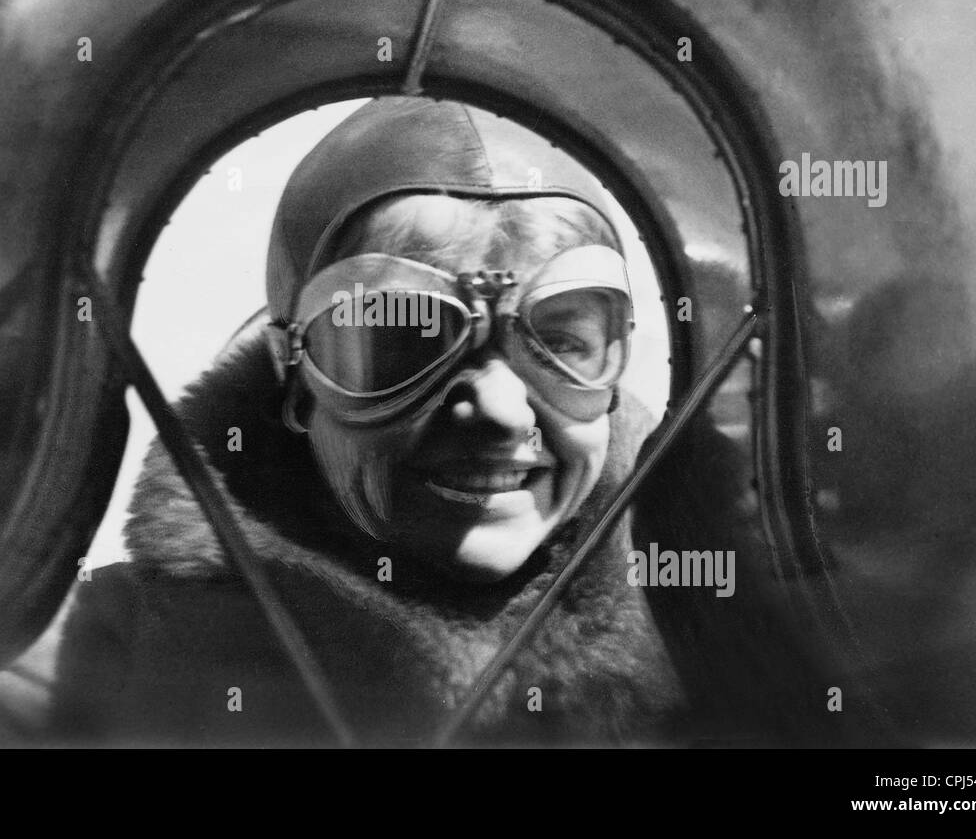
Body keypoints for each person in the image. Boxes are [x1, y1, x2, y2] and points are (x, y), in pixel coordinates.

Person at [51, 97, 688, 746]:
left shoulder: (711, 622)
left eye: (564, 343)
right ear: (295, 377)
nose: (498, 411)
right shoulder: (134, 647)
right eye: (407, 342)